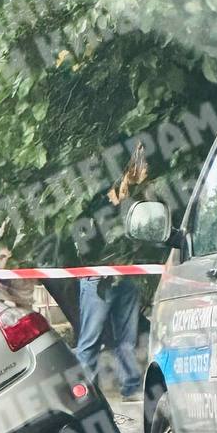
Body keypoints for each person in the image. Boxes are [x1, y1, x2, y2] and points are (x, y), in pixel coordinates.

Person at [73, 145, 147, 399]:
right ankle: (85, 393)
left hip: (126, 275)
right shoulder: (95, 199)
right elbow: (89, 240)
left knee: (127, 338)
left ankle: (131, 385)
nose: (144, 171)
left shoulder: (136, 197)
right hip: (99, 277)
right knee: (90, 340)